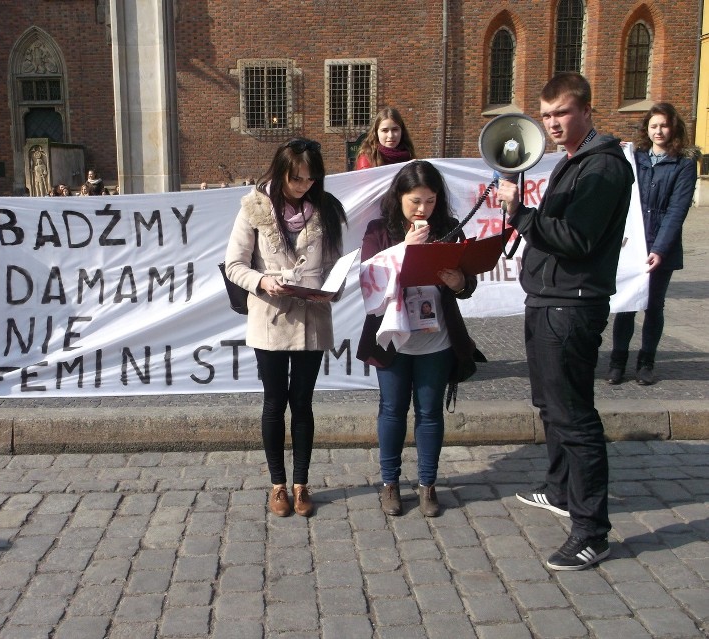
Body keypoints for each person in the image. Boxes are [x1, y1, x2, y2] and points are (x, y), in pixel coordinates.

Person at [496, 72, 634, 571]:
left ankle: (591, 531)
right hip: (550, 299)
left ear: (587, 111)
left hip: (571, 306)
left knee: (574, 416)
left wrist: (521, 215)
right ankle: (558, 489)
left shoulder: (602, 169)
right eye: (547, 114)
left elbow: (575, 239)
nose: (552, 123)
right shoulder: (573, 163)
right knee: (550, 405)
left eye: (562, 113)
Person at [225, 138, 347, 518]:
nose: (302, 186)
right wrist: (263, 282)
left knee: (304, 403)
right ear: (280, 173)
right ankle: (278, 485)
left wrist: (332, 288)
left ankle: (301, 483)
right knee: (275, 402)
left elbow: (334, 265)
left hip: (311, 317)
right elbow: (234, 264)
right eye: (296, 179)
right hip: (271, 317)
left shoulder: (327, 209)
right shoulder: (254, 208)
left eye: (310, 179)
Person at [356, 161, 478, 518]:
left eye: (429, 200)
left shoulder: (450, 229)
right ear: (399, 198)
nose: (422, 209)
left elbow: (467, 284)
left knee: (429, 412)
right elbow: (369, 275)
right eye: (415, 201)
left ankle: (428, 485)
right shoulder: (381, 230)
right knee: (392, 410)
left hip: (436, 339)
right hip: (394, 340)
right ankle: (390, 483)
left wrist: (460, 283)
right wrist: (404, 249)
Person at [607, 103, 699, 386]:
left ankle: (646, 362)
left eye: (664, 125)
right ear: (647, 129)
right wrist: (614, 145)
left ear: (674, 128)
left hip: (661, 246)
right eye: (654, 125)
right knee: (626, 305)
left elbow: (677, 210)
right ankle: (617, 362)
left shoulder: (683, 164)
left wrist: (659, 249)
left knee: (654, 306)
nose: (659, 131)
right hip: (631, 244)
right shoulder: (635, 157)